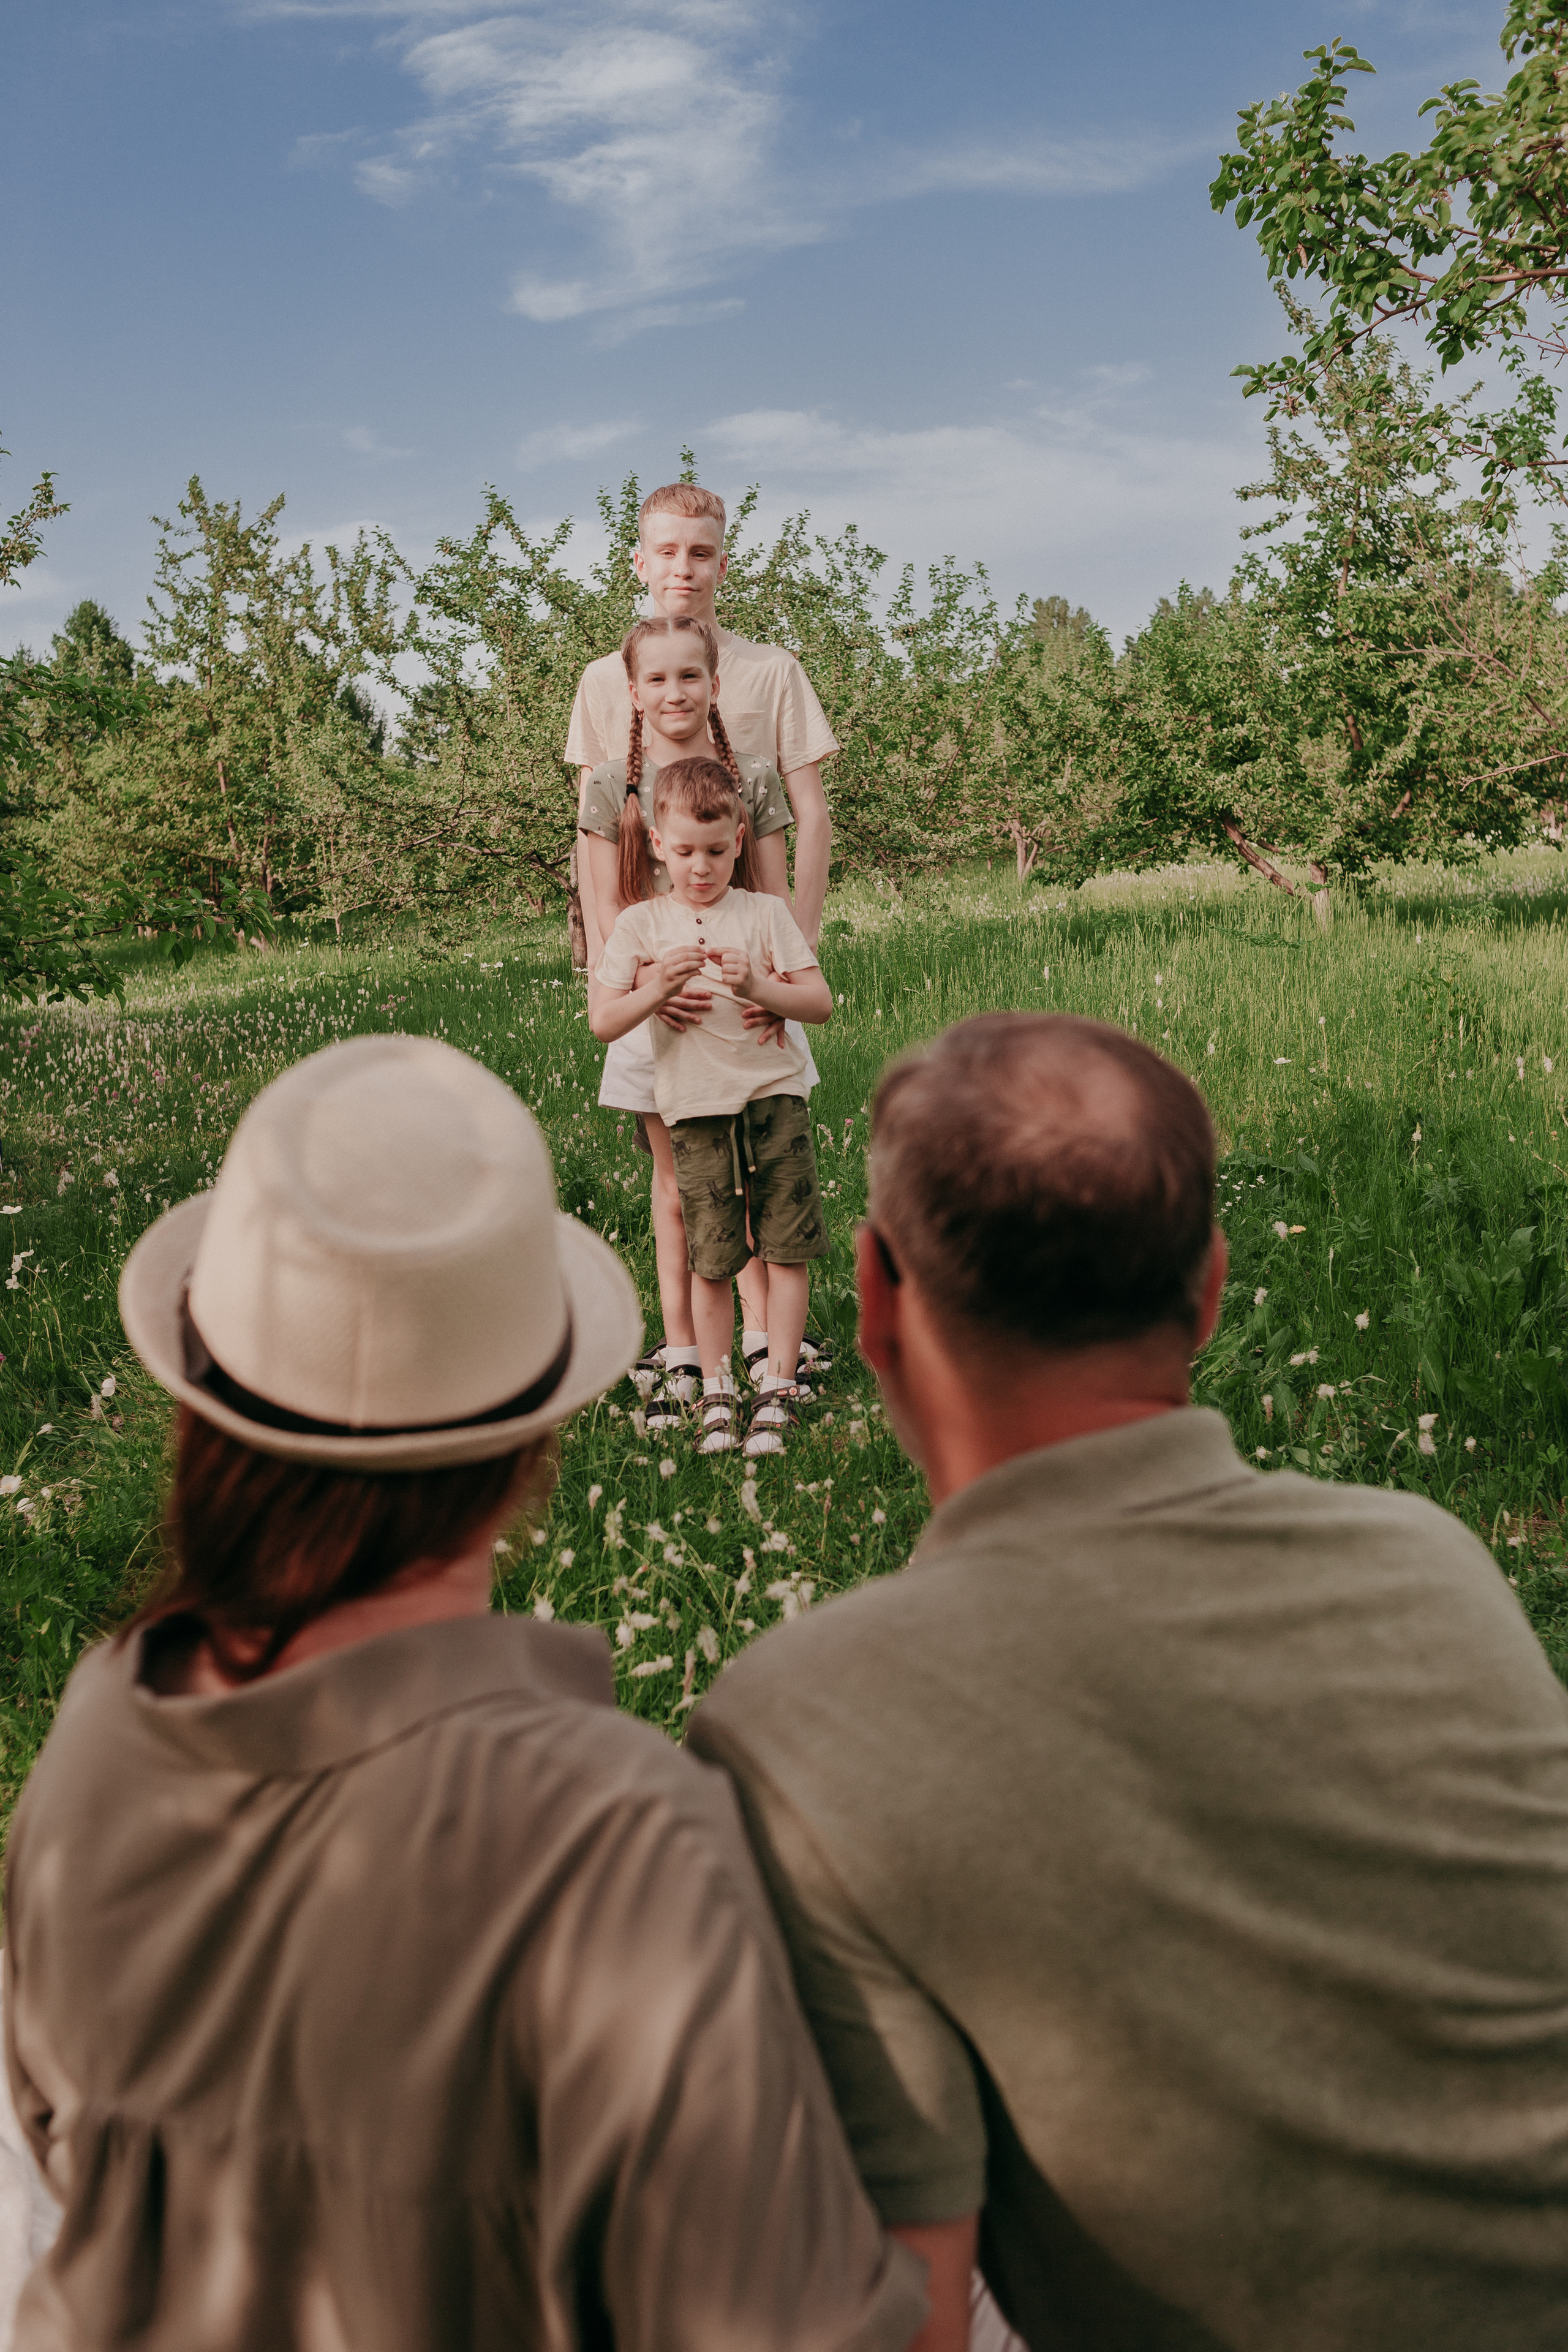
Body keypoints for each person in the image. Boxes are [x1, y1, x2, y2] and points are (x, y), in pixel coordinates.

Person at [2, 1035, 925, 2352]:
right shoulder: (616, 1834)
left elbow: (53, 2137)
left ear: (201, 1396)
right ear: (529, 1443)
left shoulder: (103, 1724)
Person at [692, 1012, 1568, 2352]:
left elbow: (901, 2310)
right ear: (1210, 1289)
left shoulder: (793, 1727)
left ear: (871, 1298)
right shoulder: (1429, 1565)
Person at [568, 481, 838, 1398]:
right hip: (653, 964)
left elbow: (804, 821)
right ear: (639, 560)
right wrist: (628, 971)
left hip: (750, 955)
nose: (683, 569)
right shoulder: (608, 679)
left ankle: (767, 1339)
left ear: (724, 560)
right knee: (683, 1167)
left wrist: (788, 953)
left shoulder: (770, 672)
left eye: (701, 552)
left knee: (761, 1149)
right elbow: (595, 849)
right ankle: (693, 1347)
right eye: (665, 552)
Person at [592, 759, 832, 1458]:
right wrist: (654, 993)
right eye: (687, 852)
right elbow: (605, 1022)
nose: (702, 868)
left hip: (772, 1099)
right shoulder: (640, 927)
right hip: (693, 1109)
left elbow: (816, 1002)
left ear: (738, 839)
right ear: (658, 845)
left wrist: (762, 985)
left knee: (782, 1244)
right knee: (712, 1255)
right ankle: (720, 1389)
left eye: (719, 851)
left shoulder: (765, 914)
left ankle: (778, 1388)